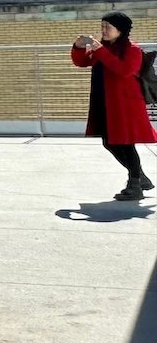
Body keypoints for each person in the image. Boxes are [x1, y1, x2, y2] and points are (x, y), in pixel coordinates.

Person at [70, 12, 157, 201]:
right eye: (102, 27)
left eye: (107, 27)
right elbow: (82, 61)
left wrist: (100, 50)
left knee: (125, 144)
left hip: (125, 106)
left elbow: (124, 70)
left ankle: (135, 185)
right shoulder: (104, 48)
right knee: (109, 142)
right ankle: (140, 177)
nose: (103, 31)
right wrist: (78, 47)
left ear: (120, 30)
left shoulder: (132, 49)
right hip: (107, 104)